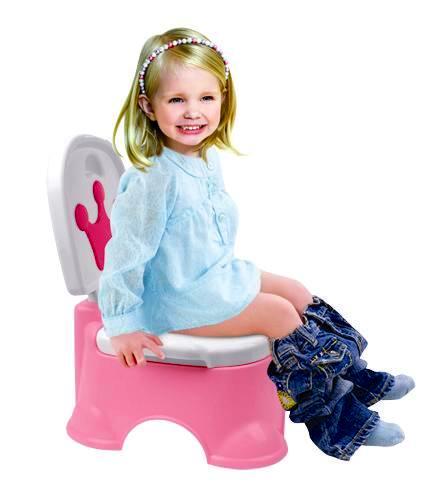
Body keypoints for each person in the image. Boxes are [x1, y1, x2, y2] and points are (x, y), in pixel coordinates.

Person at [97, 27, 415, 461]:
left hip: (209, 279)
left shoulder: (202, 157)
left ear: (223, 99)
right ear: (148, 106)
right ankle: (336, 419)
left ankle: (352, 377)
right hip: (174, 298)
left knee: (296, 292)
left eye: (206, 97)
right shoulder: (153, 179)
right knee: (279, 313)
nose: (193, 112)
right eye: (176, 100)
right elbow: (125, 254)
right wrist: (122, 324)